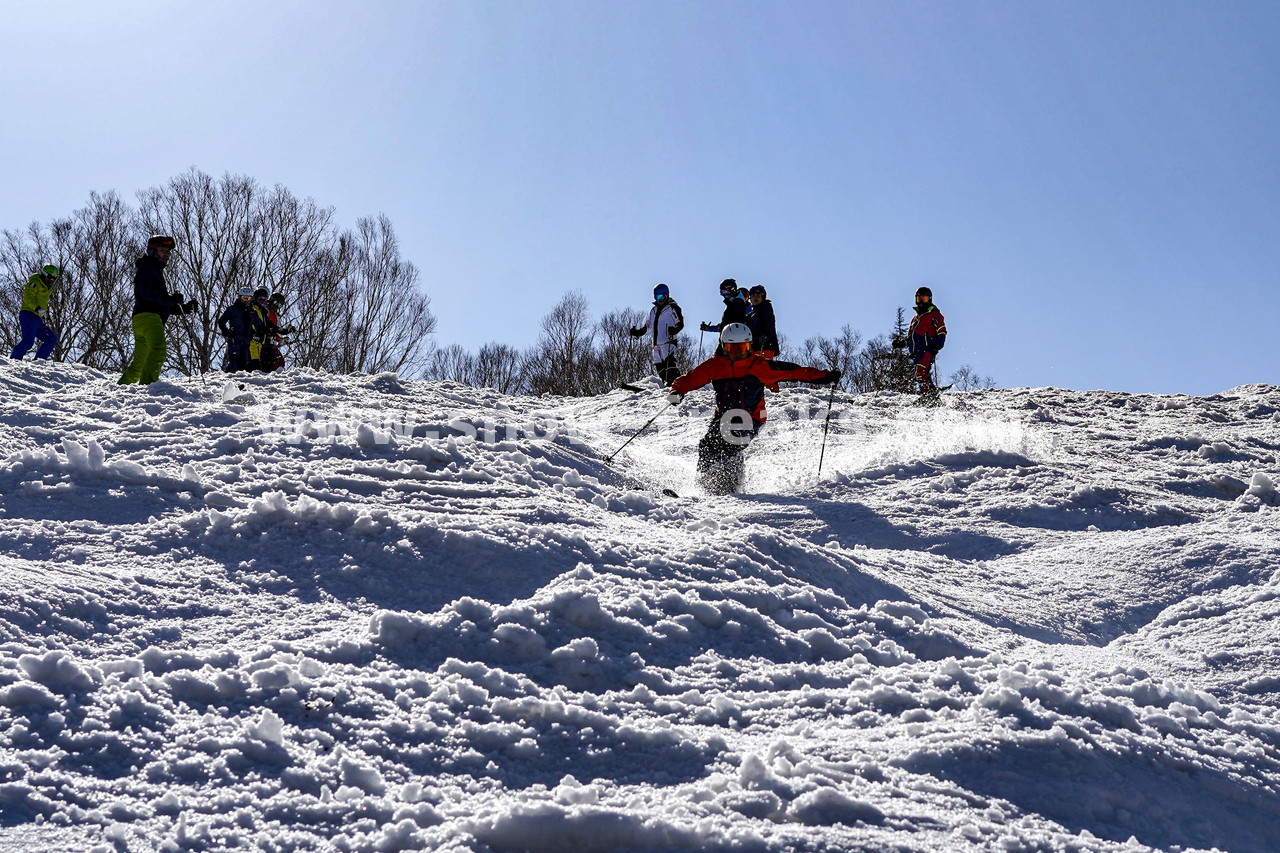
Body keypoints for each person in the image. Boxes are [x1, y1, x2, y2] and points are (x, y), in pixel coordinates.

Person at [668, 323, 840, 494]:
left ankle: (730, 488)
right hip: (722, 416)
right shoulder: (715, 366)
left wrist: (825, 377)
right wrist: (677, 391)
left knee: (731, 440)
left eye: (742, 348)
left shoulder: (759, 365)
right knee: (707, 446)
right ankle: (704, 487)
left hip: (752, 418)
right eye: (732, 348)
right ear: (723, 346)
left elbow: (795, 372)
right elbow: (690, 379)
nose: (737, 354)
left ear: (749, 346)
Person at [119, 235, 197, 385]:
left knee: (139, 363)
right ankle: (149, 387)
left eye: (168, 252)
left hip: (141, 319)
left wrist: (184, 308)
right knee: (158, 350)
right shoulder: (149, 268)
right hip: (150, 318)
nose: (166, 255)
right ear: (152, 251)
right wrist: (171, 299)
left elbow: (158, 302)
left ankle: (121, 391)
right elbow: (149, 295)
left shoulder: (149, 268)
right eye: (162, 251)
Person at [893, 286, 947, 401]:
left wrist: (937, 346)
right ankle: (929, 396)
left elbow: (941, 330)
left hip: (927, 349)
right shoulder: (916, 318)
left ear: (930, 299)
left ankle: (929, 397)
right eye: (919, 299)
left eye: (925, 299)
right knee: (921, 374)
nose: (922, 302)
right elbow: (912, 337)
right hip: (917, 351)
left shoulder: (934, 314)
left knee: (921, 372)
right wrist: (901, 343)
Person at [629, 283, 684, 385]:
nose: (660, 299)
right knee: (659, 366)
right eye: (657, 297)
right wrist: (638, 332)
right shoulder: (653, 310)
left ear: (667, 295)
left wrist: (675, 329)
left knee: (670, 365)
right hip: (656, 343)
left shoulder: (672, 307)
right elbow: (648, 326)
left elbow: (680, 322)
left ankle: (676, 384)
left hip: (668, 340)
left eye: (662, 296)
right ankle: (667, 385)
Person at [10, 264, 61, 360]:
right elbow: (27, 298)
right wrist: (37, 308)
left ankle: (39, 362)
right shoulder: (34, 283)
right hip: (28, 315)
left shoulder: (47, 287)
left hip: (37, 318)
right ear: (44, 274)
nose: (51, 280)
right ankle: (14, 360)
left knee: (51, 339)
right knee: (28, 341)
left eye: (54, 278)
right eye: (50, 277)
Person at [217, 286, 266, 372]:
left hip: (246, 340)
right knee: (234, 360)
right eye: (244, 298)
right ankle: (228, 379)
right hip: (235, 339)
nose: (246, 300)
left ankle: (239, 382)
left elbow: (260, 325)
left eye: (248, 298)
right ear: (240, 297)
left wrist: (260, 335)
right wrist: (226, 331)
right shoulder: (233, 309)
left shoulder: (252, 312)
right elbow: (221, 321)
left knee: (243, 363)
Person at [259, 292, 294, 372]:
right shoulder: (265, 310)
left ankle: (274, 377)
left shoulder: (275, 315)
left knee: (279, 361)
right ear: (271, 301)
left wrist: (280, 340)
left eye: (280, 305)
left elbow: (275, 330)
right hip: (263, 340)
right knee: (269, 360)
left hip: (270, 341)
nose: (277, 307)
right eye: (276, 303)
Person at [745, 284, 778, 358]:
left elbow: (770, 322)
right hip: (753, 347)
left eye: (758, 296)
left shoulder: (765, 307)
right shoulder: (751, 314)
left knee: (761, 366)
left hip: (765, 345)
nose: (755, 298)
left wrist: (766, 336)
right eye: (753, 296)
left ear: (762, 297)